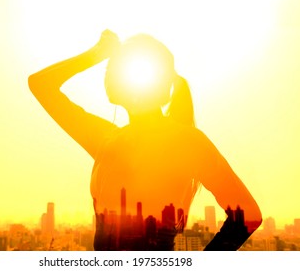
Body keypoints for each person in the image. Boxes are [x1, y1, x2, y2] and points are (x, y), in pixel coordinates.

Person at [28, 30, 262, 251]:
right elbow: (40, 84)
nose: (106, 72)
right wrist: (96, 54)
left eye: (113, 66)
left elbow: (247, 215)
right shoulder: (106, 138)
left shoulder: (184, 141)